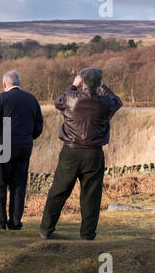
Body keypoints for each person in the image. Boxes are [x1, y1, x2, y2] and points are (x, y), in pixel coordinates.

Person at [40, 68, 122, 240]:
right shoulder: (105, 102)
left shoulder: (71, 98)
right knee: (91, 195)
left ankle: (46, 229)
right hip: (94, 153)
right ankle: (87, 234)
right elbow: (118, 101)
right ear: (98, 83)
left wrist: (73, 85)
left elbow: (58, 101)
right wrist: (103, 87)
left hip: (71, 151)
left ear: (82, 81)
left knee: (59, 191)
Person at [0, 70, 43, 231]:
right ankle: (15, 223)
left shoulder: (0, 99)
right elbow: (38, 126)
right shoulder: (31, 99)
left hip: (2, 146)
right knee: (18, 185)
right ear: (19, 83)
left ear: (4, 84)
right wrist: (27, 138)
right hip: (24, 146)